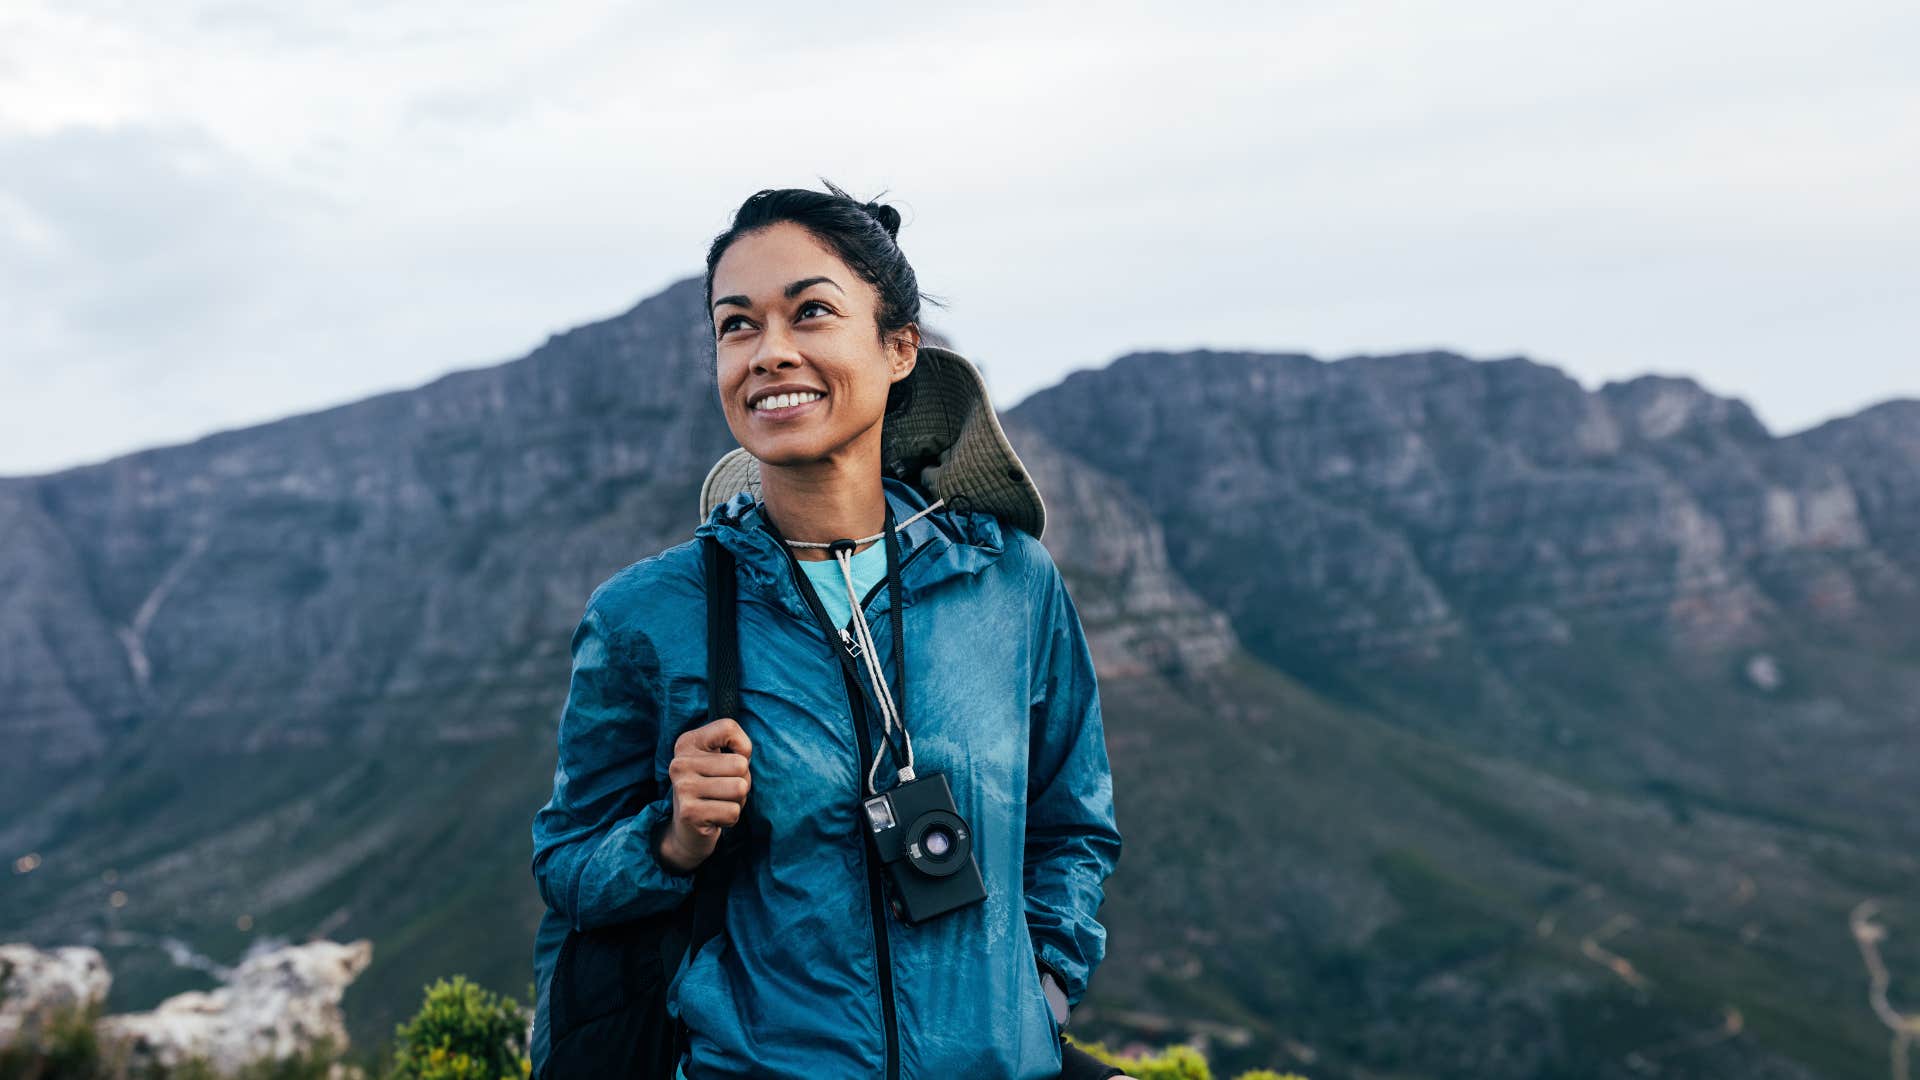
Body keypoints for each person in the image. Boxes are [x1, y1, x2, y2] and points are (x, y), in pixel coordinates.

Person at [530, 182, 1128, 1079]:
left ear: (897, 349)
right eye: (738, 326)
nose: (770, 353)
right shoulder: (648, 615)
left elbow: (1071, 825)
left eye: (811, 313)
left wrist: (1037, 995)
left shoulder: (1010, 582)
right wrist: (671, 838)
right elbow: (567, 864)